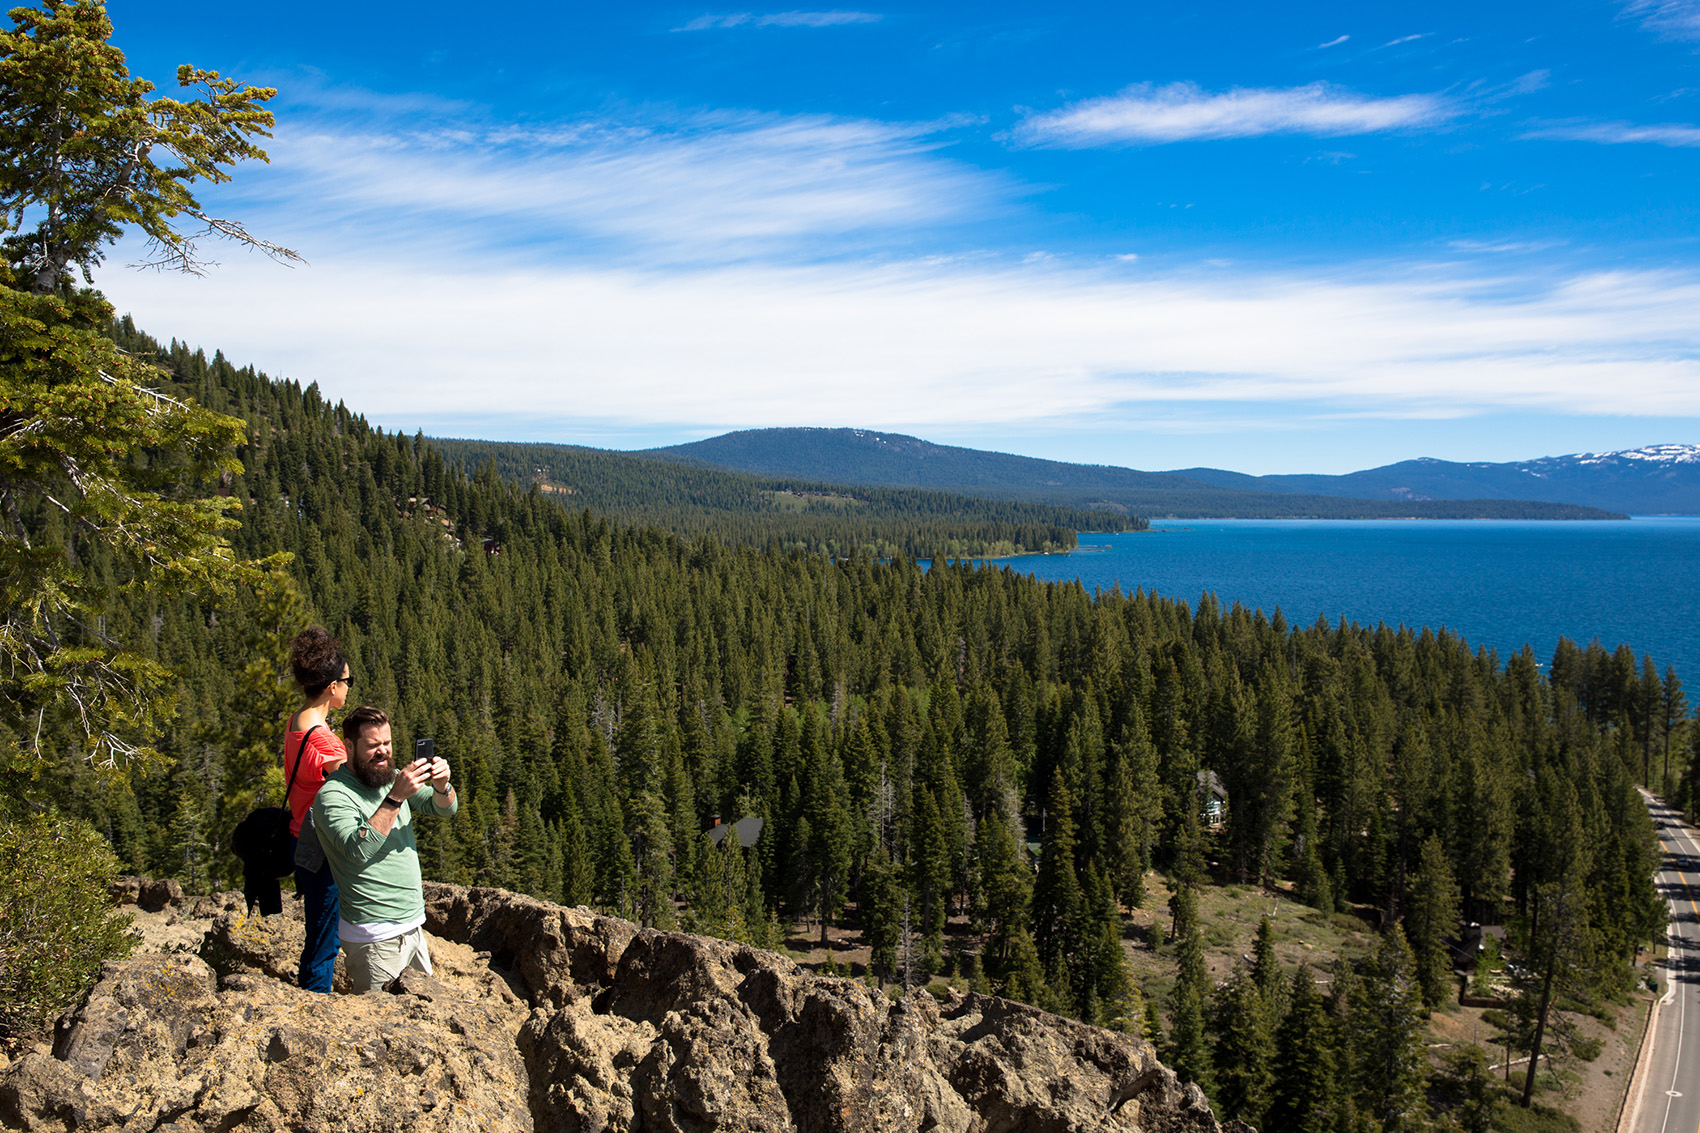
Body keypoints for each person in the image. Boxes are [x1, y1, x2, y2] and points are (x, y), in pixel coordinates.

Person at [313, 705, 458, 992]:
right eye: (373, 745)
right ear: (350, 746)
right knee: (385, 1029)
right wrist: (395, 798)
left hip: (412, 927)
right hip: (374, 937)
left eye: (387, 743)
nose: (383, 752)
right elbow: (357, 849)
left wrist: (442, 786)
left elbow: (444, 809)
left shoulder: (388, 779)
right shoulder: (333, 795)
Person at [284, 626, 351, 993]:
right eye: (346, 679)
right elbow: (352, 787)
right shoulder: (325, 741)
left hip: (299, 837)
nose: (347, 686)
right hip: (321, 848)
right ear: (331, 686)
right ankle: (312, 1004)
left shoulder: (298, 723)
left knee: (318, 931)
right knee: (325, 941)